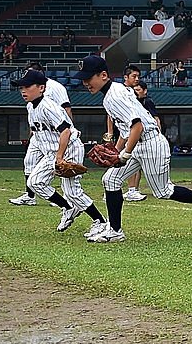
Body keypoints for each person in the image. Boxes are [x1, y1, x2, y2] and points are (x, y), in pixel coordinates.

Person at [72, 55, 192, 243]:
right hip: (139, 143)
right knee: (110, 180)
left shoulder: (114, 96)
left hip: (150, 143)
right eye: (83, 79)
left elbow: (137, 127)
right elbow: (128, 130)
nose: (85, 82)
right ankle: (114, 230)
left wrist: (124, 155)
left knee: (164, 191)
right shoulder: (115, 91)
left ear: (103, 75)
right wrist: (115, 150)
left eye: (89, 78)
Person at [11, 69, 109, 235]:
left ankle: (100, 221)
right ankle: (68, 208)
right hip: (53, 152)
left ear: (41, 88)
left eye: (27, 86)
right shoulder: (30, 107)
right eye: (21, 87)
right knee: (34, 182)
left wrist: (59, 157)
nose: (23, 90)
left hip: (69, 148)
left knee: (72, 191)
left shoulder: (49, 106)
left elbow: (66, 131)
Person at [9, 62, 73, 207]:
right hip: (40, 134)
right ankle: (30, 195)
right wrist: (33, 134)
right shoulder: (30, 103)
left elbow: (66, 109)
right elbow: (34, 117)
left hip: (57, 132)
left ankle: (66, 199)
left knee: (62, 168)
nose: (24, 88)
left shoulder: (56, 87)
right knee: (29, 162)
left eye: (29, 75)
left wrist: (68, 132)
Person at [116, 65, 150, 203]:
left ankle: (130, 190)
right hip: (127, 130)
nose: (137, 79)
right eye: (133, 76)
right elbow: (111, 114)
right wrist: (110, 131)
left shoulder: (131, 93)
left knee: (132, 162)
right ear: (125, 77)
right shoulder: (120, 91)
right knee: (124, 159)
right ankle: (126, 190)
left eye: (138, 76)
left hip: (135, 132)